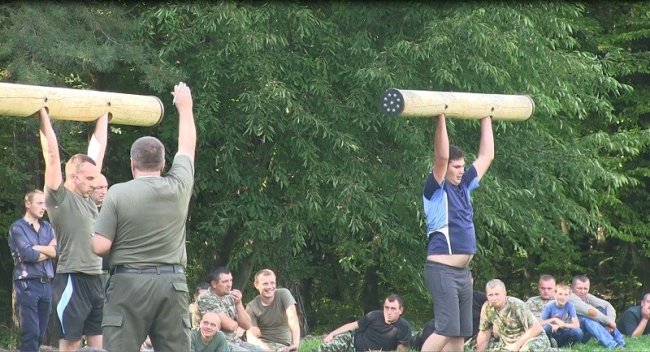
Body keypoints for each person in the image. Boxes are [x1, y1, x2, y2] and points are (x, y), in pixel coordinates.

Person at [92, 82, 196, 351]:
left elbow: (100, 246)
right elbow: (187, 147)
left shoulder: (117, 193)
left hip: (128, 284)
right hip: (172, 284)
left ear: (132, 163)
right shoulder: (179, 187)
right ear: (163, 164)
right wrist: (185, 108)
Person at [421, 114, 494, 352]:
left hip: (463, 273)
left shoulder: (464, 186)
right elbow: (441, 156)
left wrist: (486, 116)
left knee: (460, 333)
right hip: (442, 270)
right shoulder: (436, 189)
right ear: (446, 168)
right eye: (456, 167)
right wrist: (441, 115)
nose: (462, 171)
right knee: (446, 328)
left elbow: (487, 156)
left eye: (463, 166)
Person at [39, 107, 108, 351]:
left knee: (97, 346)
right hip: (72, 279)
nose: (95, 184)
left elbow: (97, 153)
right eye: (89, 179)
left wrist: (103, 115)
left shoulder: (89, 198)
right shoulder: (59, 198)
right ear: (73, 176)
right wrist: (43, 112)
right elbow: (52, 155)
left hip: (95, 279)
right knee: (71, 344)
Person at [8, 190, 57, 352]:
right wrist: (48, 250)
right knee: (31, 332)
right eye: (39, 203)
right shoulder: (17, 228)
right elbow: (27, 254)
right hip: (27, 284)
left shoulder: (47, 227)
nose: (43, 207)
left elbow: (58, 251)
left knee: (41, 332)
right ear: (28, 204)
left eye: (45, 203)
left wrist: (37, 249)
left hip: (47, 284)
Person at [410, 273, 487, 350]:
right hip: (444, 331)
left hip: (465, 335)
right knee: (429, 328)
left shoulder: (481, 298)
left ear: (472, 281)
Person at [317, 294, 412, 352]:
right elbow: (352, 325)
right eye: (386, 307)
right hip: (352, 342)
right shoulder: (374, 315)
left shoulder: (403, 327)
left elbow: (401, 350)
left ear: (400, 310)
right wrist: (332, 334)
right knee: (328, 347)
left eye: (393, 308)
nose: (389, 311)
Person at [476, 279, 550, 352]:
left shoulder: (517, 305)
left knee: (527, 349)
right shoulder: (487, 308)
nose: (494, 298)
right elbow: (484, 332)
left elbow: (536, 328)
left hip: (532, 339)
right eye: (490, 295)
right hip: (508, 343)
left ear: (505, 293)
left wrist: (517, 345)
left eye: (497, 294)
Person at [198, 267, 261, 351]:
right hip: (216, 343)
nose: (229, 285)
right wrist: (237, 325)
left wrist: (239, 303)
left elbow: (247, 325)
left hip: (234, 340)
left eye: (230, 280)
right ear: (214, 284)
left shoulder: (230, 296)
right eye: (225, 282)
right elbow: (230, 326)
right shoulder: (206, 298)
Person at [245, 269, 300, 352]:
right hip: (262, 346)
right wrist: (267, 349)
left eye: (272, 283)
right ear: (256, 285)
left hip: (283, 345)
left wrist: (295, 344)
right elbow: (251, 335)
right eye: (265, 284)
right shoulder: (251, 306)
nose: (270, 287)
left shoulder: (284, 294)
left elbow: (293, 319)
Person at [569, 274, 626, 349]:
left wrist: (611, 321)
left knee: (602, 310)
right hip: (572, 335)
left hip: (584, 333)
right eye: (579, 288)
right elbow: (589, 311)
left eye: (585, 289)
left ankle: (620, 342)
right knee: (587, 318)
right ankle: (612, 345)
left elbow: (607, 305)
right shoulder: (570, 297)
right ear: (572, 288)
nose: (583, 291)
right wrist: (608, 322)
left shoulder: (586, 296)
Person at [539, 282, 583, 347]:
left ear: (569, 296)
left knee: (578, 332)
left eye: (566, 295)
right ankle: (550, 344)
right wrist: (554, 320)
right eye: (560, 294)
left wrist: (562, 325)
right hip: (552, 331)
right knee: (546, 328)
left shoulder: (570, 305)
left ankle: (566, 346)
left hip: (563, 331)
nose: (563, 297)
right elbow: (540, 323)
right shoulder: (549, 305)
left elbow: (576, 325)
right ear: (555, 295)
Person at [90, 174, 110, 288]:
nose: (103, 191)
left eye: (105, 187)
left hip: (108, 271)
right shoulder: (82, 212)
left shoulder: (111, 210)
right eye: (100, 188)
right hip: (87, 272)